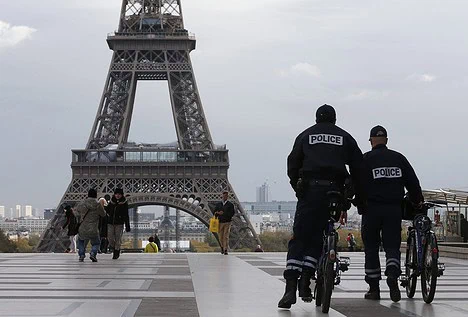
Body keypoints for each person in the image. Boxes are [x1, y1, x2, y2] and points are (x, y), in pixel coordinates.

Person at [278, 104, 363, 309]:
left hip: (310, 190)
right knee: (319, 236)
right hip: (334, 192)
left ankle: (290, 287)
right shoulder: (345, 137)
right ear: (334, 119)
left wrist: (297, 186)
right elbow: (359, 166)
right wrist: (349, 191)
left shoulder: (305, 136)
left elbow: (292, 164)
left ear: (316, 119)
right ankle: (307, 280)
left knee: (300, 237)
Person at [360, 125, 424, 302]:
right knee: (392, 247)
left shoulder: (365, 159)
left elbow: (355, 184)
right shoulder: (399, 158)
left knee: (371, 248)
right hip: (394, 210)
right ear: (386, 140)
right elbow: (413, 183)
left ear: (371, 140)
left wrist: (354, 202)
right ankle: (393, 277)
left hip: (371, 210)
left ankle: (374, 289)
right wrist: (418, 201)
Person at [74, 189, 106, 262]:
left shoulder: (82, 203)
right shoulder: (98, 204)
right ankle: (93, 253)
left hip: (83, 227)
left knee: (81, 241)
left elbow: (76, 213)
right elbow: (103, 214)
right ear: (96, 195)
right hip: (93, 228)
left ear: (88, 195)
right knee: (96, 243)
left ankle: (81, 255)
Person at [106, 188, 130, 259]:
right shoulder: (111, 202)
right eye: (116, 194)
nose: (117, 195)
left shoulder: (124, 203)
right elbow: (107, 211)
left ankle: (116, 251)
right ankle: (115, 247)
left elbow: (126, 215)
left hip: (119, 223)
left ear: (122, 195)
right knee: (110, 238)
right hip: (110, 222)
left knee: (118, 238)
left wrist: (127, 225)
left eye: (119, 194)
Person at [214, 191, 235, 255]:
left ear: (227, 197)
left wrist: (224, 214)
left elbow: (232, 213)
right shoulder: (218, 204)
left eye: (225, 196)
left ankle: (225, 249)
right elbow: (214, 212)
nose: (224, 197)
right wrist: (218, 213)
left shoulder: (230, 205)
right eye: (223, 196)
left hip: (227, 222)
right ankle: (222, 247)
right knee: (220, 237)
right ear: (222, 196)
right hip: (220, 222)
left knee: (225, 236)